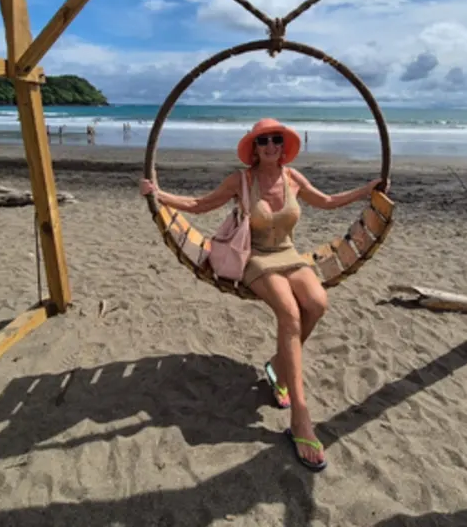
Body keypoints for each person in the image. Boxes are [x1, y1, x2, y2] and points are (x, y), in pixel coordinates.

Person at [139, 118, 385, 472]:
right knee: (290, 314)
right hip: (254, 258)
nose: (271, 145)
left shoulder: (292, 178)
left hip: (289, 254)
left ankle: (277, 367)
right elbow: (197, 204)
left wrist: (367, 190)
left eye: (277, 140)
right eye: (264, 140)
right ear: (253, 148)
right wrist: (159, 195)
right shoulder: (240, 180)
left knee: (317, 304)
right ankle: (300, 416)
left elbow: (328, 201)